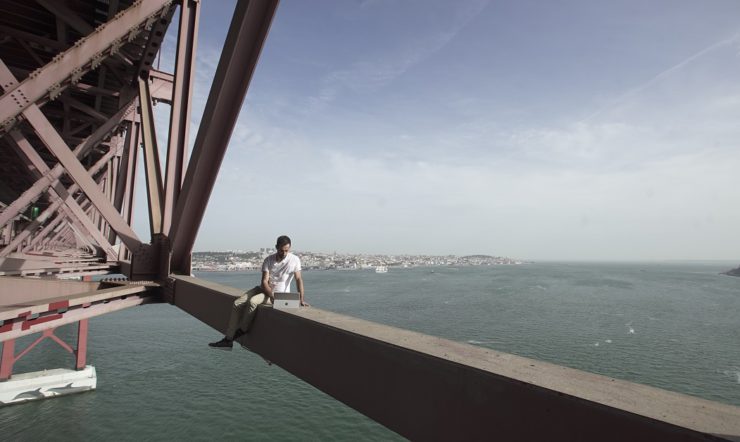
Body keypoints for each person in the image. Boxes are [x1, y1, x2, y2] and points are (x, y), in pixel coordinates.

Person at [209, 235, 308, 350]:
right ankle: (228, 339)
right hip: (266, 290)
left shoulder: (294, 260)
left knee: (253, 301)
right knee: (237, 303)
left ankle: (243, 330)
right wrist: (270, 295)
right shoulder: (268, 260)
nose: (285, 253)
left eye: (287, 250)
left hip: (279, 294)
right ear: (276, 247)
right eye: (282, 250)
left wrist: (300, 299)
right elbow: (264, 281)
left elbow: (298, 279)